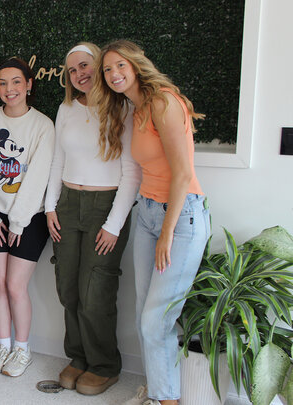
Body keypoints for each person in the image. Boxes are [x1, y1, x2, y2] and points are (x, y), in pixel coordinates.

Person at [90, 40, 211, 405]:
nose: (113, 75)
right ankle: (159, 390)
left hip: (181, 216)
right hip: (147, 212)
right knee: (148, 313)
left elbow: (182, 173)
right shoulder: (134, 107)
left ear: (136, 64)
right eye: (107, 70)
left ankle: (166, 400)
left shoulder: (162, 101)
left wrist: (168, 233)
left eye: (119, 66)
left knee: (155, 319)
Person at [45, 42, 141, 395]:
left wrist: (114, 225)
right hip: (67, 204)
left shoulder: (124, 108)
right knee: (68, 286)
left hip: (106, 206)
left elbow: (131, 173)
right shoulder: (66, 107)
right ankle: (79, 357)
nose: (79, 74)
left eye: (84, 66)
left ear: (99, 66)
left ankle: (104, 364)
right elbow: (57, 160)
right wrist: (49, 206)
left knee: (96, 290)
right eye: (71, 70)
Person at [0, 57, 55, 377]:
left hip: (29, 218)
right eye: (3, 83)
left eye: (16, 82)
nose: (10, 89)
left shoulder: (42, 125)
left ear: (29, 84)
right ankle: (3, 345)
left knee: (15, 285)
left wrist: (18, 221)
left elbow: (37, 179)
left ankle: (22, 350)